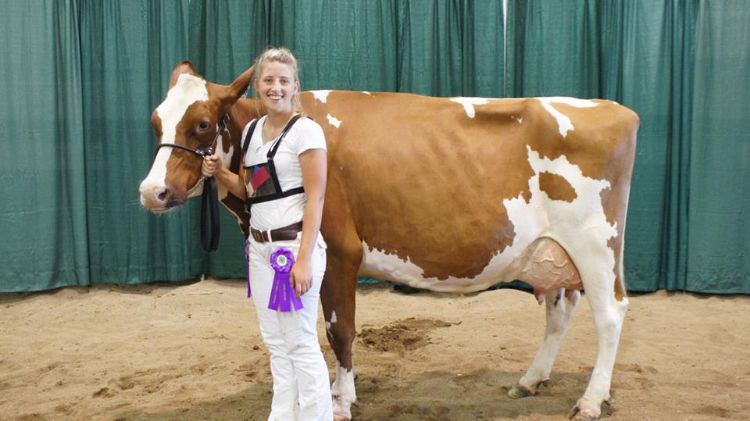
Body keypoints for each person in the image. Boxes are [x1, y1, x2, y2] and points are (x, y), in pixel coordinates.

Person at [202, 47, 332, 421]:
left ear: (295, 87)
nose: (275, 88)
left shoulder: (307, 132)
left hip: (292, 249)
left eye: (283, 81)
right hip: (259, 251)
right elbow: (252, 190)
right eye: (268, 80)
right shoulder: (254, 132)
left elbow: (316, 198)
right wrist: (219, 173)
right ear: (258, 86)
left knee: (301, 343)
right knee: (275, 342)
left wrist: (304, 259)